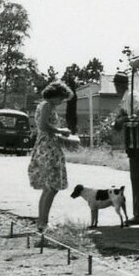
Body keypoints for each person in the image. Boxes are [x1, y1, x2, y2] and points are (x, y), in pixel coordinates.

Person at [30, 81, 81, 230]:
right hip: (48, 148)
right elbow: (43, 126)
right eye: (61, 98)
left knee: (49, 187)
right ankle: (43, 222)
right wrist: (61, 131)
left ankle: (42, 221)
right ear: (54, 95)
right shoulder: (46, 105)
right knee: (52, 187)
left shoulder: (45, 105)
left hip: (47, 145)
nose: (61, 102)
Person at [108, 74, 139, 225]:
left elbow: (138, 115)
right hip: (134, 142)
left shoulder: (133, 96)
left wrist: (121, 120)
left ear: (119, 85)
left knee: (138, 177)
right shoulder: (126, 98)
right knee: (137, 177)